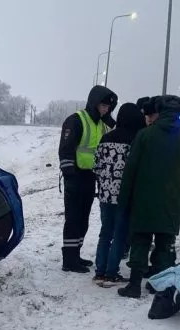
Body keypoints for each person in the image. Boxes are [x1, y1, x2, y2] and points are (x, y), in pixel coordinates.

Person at [116, 95, 180, 298]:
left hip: (143, 200)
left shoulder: (145, 135)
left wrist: (124, 200)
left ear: (159, 112)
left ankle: (134, 285)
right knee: (165, 245)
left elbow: (130, 170)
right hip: (172, 203)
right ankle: (160, 285)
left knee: (140, 241)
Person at [59, 85, 118, 273]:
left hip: (90, 176)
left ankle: (76, 254)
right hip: (75, 176)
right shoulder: (76, 120)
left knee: (83, 218)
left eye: (108, 107)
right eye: (103, 106)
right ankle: (69, 260)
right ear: (94, 103)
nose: (106, 110)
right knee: (73, 218)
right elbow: (66, 149)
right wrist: (69, 175)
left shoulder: (101, 124)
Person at [92, 103, 146, 286]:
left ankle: (99, 272)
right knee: (120, 235)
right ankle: (111, 273)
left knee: (105, 233)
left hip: (105, 194)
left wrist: (104, 184)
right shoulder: (134, 140)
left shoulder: (105, 138)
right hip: (124, 196)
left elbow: (96, 165)